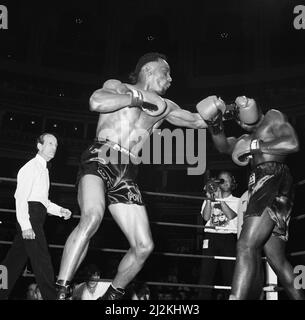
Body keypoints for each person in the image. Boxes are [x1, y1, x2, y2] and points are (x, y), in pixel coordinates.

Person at [56, 52, 209, 300]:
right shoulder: (118, 86)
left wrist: (228, 113)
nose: (170, 79)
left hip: (127, 169)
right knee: (92, 217)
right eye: (166, 72)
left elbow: (196, 121)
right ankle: (61, 290)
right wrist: (136, 98)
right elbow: (96, 102)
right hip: (101, 155)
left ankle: (112, 297)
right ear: (148, 69)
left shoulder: (164, 106)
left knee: (144, 246)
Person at [196, 95, 305, 299]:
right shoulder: (244, 139)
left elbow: (292, 143)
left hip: (272, 177)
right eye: (236, 119)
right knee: (276, 259)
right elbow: (223, 147)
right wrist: (214, 125)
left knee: (246, 245)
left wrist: (256, 147)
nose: (239, 121)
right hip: (262, 185)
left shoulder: (273, 117)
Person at [0, 133, 72, 300]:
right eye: (50, 143)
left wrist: (60, 210)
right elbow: (20, 197)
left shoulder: (44, 170)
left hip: (36, 216)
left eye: (55, 145)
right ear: (39, 146)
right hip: (30, 218)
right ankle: (51, 297)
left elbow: (43, 201)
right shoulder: (30, 167)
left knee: (13, 261)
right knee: (42, 258)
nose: (54, 147)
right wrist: (26, 226)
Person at [198, 171, 239, 300]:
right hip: (211, 236)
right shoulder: (210, 197)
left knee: (229, 274)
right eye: (221, 180)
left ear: (232, 183)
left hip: (228, 237)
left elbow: (231, 216)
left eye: (227, 180)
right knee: (206, 273)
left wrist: (220, 199)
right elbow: (205, 217)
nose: (225, 183)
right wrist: (209, 198)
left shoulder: (238, 201)